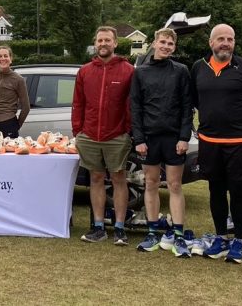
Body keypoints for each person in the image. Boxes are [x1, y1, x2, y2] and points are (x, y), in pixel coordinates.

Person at [191, 24, 242, 264]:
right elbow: (195, 100)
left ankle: (239, 240)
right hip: (209, 141)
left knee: (237, 190)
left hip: (240, 142)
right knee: (215, 190)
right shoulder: (198, 67)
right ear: (211, 43)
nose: (226, 43)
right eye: (221, 39)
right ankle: (221, 237)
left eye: (230, 39)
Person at [130, 28, 193, 256]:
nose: (166, 46)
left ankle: (178, 235)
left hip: (174, 138)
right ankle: (152, 231)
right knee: (151, 183)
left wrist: (184, 137)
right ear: (154, 44)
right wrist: (139, 139)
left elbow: (188, 106)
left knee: (175, 185)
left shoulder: (181, 71)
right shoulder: (140, 72)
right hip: (148, 139)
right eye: (162, 42)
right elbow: (135, 107)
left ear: (174, 47)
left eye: (170, 43)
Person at [74, 26, 135, 246]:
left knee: (119, 179)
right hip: (89, 135)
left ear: (115, 43)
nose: (103, 44)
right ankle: (98, 227)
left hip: (117, 135)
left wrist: (127, 131)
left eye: (107, 40)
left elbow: (132, 104)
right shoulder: (85, 71)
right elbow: (78, 103)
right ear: (95, 42)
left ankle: (119, 228)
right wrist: (77, 131)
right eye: (100, 40)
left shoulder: (128, 70)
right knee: (96, 179)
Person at [0, 46, 30, 138]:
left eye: (6, 56)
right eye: (0, 56)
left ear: (11, 59)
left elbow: (26, 107)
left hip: (9, 122)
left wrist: (17, 125)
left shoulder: (18, 79)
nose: (3, 59)